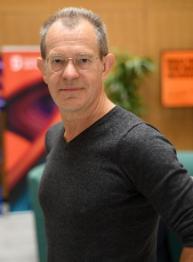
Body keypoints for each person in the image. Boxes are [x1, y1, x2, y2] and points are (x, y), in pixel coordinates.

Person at [37, 7, 193, 262]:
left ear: (105, 65)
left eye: (83, 60)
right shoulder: (54, 137)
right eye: (57, 61)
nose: (69, 73)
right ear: (43, 69)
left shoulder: (137, 142)